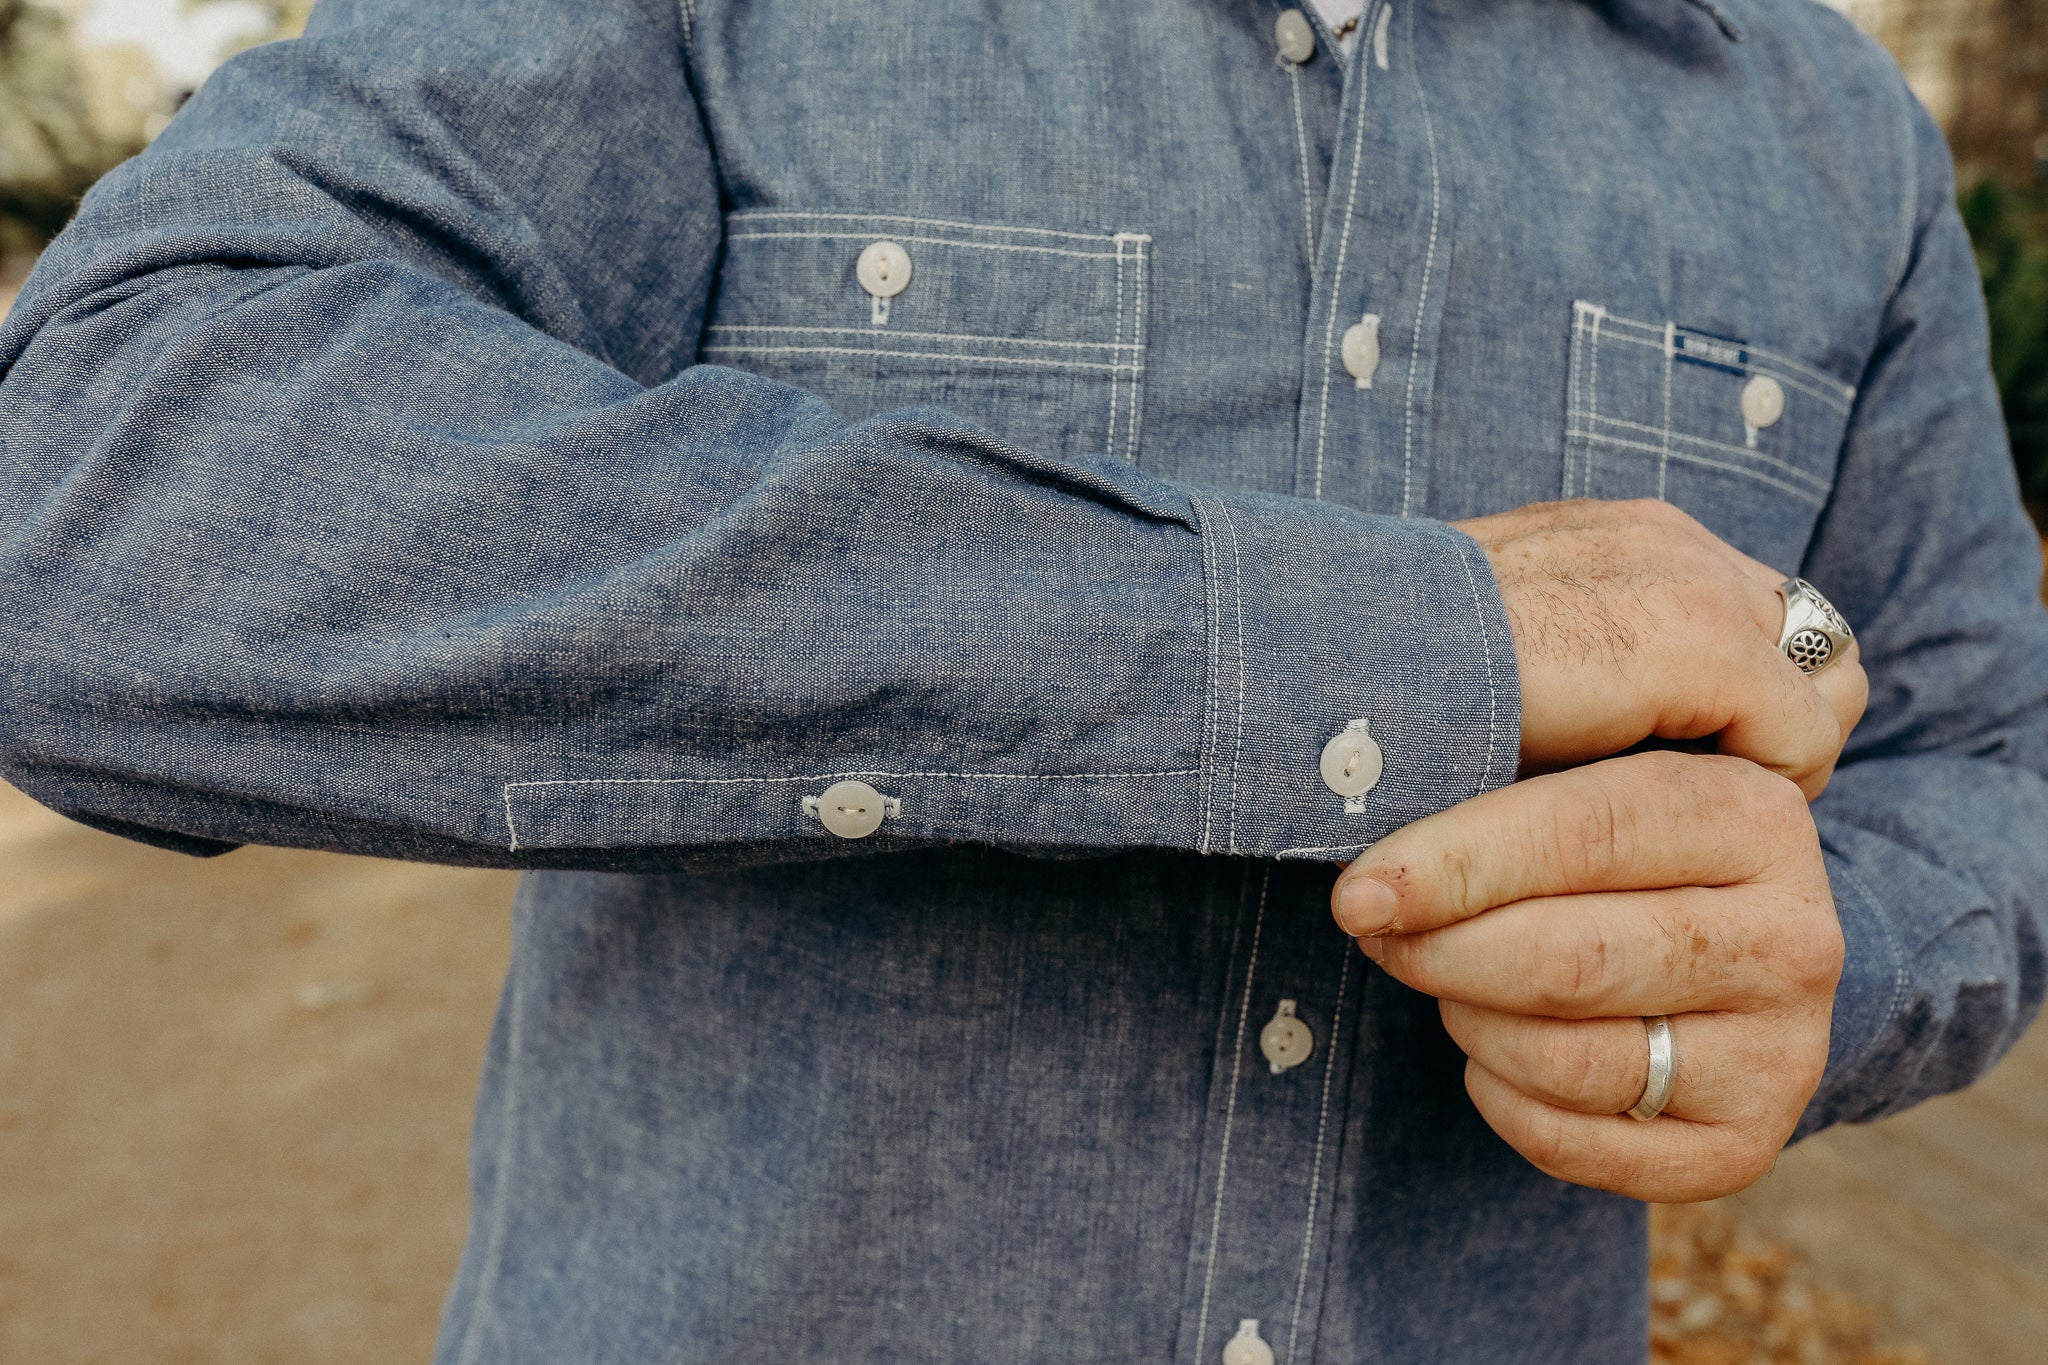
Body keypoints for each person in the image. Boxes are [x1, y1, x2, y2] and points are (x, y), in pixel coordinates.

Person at [2, 0, 2044, 1359]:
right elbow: (94, 504)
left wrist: (1829, 947)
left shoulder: (1826, 133)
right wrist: (1364, 650)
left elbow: (1980, 751)